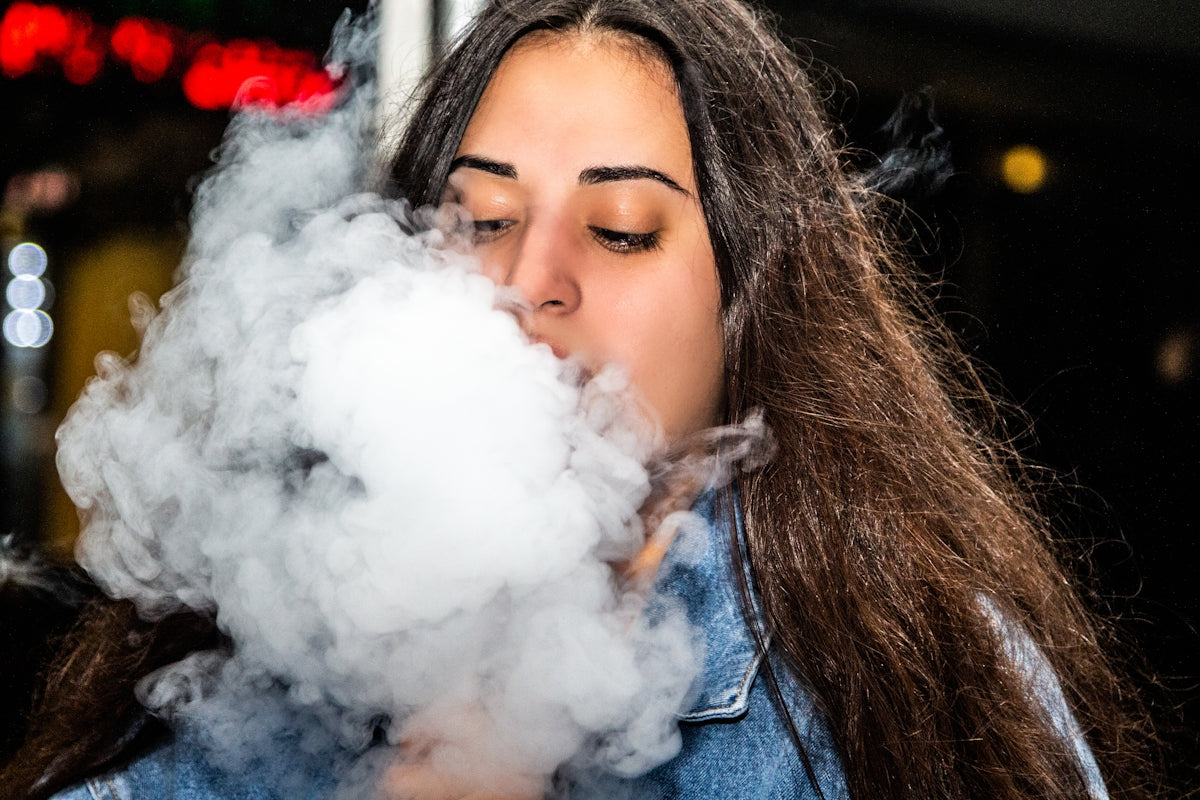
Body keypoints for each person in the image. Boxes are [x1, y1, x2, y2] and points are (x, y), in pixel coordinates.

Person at [2, 0, 1155, 798]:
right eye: (484, 220)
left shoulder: (907, 681)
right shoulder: (268, 636)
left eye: (620, 229)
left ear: (750, 304)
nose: (527, 282)